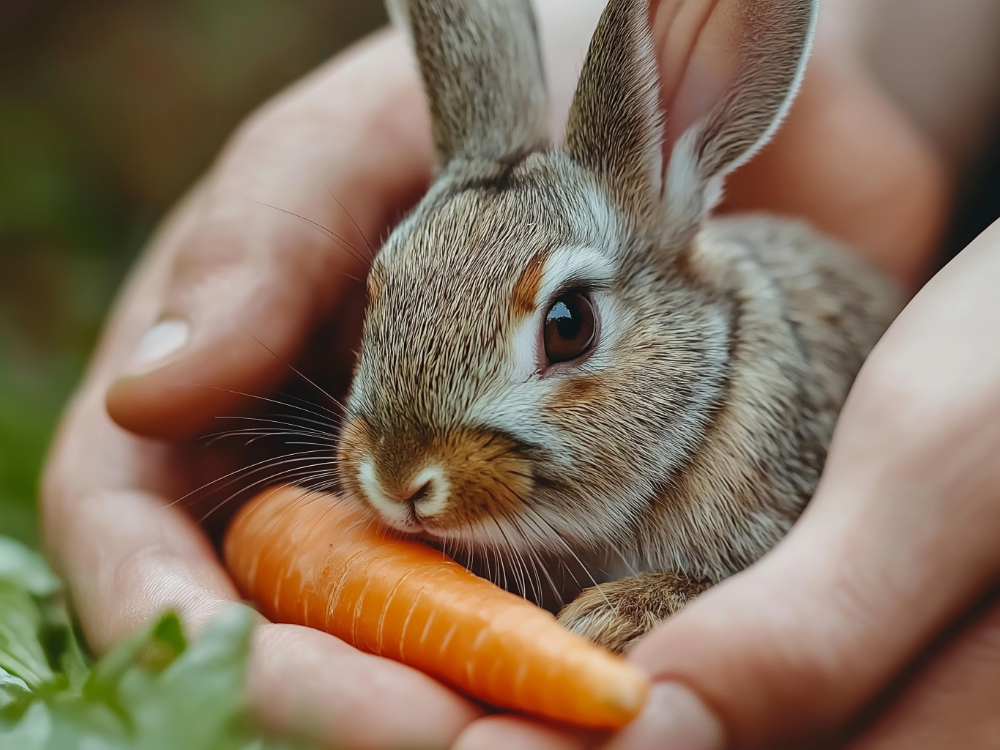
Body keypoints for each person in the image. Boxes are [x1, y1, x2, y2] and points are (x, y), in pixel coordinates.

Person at [41, 0, 1000, 747]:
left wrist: (673, 597)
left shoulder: (759, 415)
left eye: (569, 328)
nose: (397, 477)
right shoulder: (400, 463)